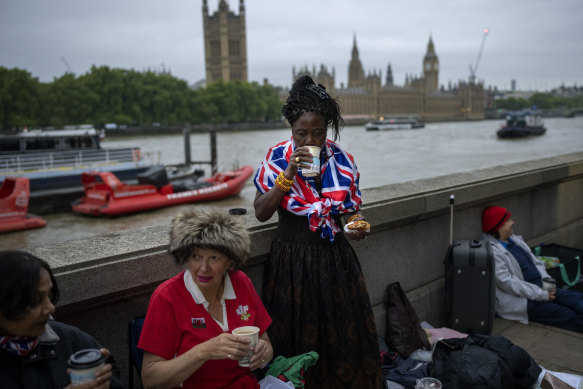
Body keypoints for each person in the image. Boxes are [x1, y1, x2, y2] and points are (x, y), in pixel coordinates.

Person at [253, 75, 382, 388]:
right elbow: (260, 212)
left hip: (335, 262)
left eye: (318, 133)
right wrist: (288, 174)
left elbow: (350, 212)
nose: (310, 141)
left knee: (341, 343)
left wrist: (355, 225)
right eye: (301, 134)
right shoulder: (276, 158)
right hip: (291, 264)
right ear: (291, 130)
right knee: (295, 340)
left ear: (327, 130)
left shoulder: (342, 161)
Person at [138, 208, 274, 389]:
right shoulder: (167, 297)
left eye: (214, 258)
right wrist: (205, 351)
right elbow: (150, 380)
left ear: (230, 260)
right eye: (196, 257)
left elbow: (267, 344)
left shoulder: (241, 282)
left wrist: (263, 353)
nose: (203, 268)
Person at [0, 250, 123, 389]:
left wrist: (105, 379)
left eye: (49, 295)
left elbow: (115, 379)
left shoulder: (69, 339)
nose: (50, 308)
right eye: (36, 300)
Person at [482, 205, 583, 332]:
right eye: (508, 221)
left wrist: (548, 286)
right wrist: (542, 295)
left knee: (577, 299)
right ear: (498, 227)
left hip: (543, 289)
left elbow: (537, 263)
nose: (512, 222)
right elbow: (508, 283)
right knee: (570, 316)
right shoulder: (492, 252)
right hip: (526, 302)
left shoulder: (515, 241)